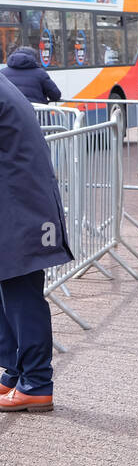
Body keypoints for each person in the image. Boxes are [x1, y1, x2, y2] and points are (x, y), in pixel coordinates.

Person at [0, 74, 73, 412]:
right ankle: (17, 371)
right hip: (20, 204)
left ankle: (36, 382)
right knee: (14, 293)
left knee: (21, 295)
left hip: (19, 209)